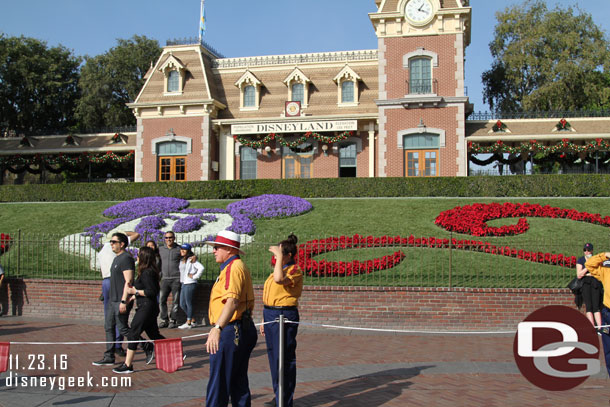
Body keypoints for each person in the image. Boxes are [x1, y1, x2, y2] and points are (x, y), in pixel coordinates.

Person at [204, 230, 257, 407]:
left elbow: (232, 301)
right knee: (238, 382)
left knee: (219, 382)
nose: (214, 251)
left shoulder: (232, 269)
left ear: (229, 249)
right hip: (241, 327)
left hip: (230, 329)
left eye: (217, 247)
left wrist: (217, 327)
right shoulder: (238, 267)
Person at [260, 234, 303, 407]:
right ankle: (279, 396)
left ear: (289, 255)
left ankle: (285, 400)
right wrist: (264, 318)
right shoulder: (279, 269)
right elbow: (270, 296)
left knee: (283, 358)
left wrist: (278, 258)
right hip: (271, 314)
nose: (275, 257)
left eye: (279, 253)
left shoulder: (294, 270)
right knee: (273, 357)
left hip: (284, 315)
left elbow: (279, 280)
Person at [112, 246, 165, 374]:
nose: (137, 257)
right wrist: (133, 297)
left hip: (147, 308)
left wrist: (134, 291)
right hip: (147, 306)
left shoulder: (147, 272)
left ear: (143, 258)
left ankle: (128, 364)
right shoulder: (147, 271)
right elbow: (146, 290)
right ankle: (175, 353)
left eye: (139, 255)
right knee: (154, 334)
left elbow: (152, 291)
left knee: (133, 333)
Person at [93, 232, 138, 366]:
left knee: (122, 328)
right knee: (108, 326)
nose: (111, 244)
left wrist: (124, 300)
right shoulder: (116, 258)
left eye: (114, 242)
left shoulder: (126, 258)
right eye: (111, 242)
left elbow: (128, 281)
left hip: (120, 299)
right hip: (112, 299)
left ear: (122, 244)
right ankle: (109, 355)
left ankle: (145, 345)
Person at [585, 252, 610, 377]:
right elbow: (589, 264)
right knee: (608, 351)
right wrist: (605, 255)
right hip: (608, 313)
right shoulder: (606, 271)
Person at [576, 243, 603, 330]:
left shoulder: (596, 259)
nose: (587, 252)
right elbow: (579, 275)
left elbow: (599, 272)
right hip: (586, 283)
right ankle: (592, 327)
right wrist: (588, 266)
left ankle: (599, 327)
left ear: (592, 250)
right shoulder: (581, 260)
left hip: (595, 282)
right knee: (588, 306)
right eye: (585, 250)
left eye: (588, 250)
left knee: (596, 306)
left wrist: (591, 269)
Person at [158, 231, 182, 329]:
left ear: (174, 238)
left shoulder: (179, 249)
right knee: (161, 300)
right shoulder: (160, 249)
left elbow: (189, 255)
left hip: (176, 278)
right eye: (166, 238)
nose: (168, 239)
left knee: (175, 301)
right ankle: (164, 319)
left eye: (170, 237)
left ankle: (173, 320)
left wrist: (193, 256)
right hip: (164, 279)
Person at [178, 243, 204, 329]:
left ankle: (188, 322)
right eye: (181, 249)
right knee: (182, 304)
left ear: (188, 251)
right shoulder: (182, 260)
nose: (182, 251)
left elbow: (201, 268)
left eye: (184, 249)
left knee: (188, 303)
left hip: (190, 283)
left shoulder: (191, 260)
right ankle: (193, 320)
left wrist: (194, 276)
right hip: (183, 283)